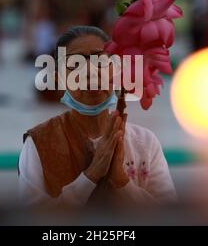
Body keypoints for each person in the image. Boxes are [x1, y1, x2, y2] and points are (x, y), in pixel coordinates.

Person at [18, 26, 177, 208]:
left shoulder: (144, 143)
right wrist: (91, 175)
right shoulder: (40, 144)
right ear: (58, 80)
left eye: (100, 61)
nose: (90, 73)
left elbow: (168, 217)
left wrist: (121, 181)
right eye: (76, 65)